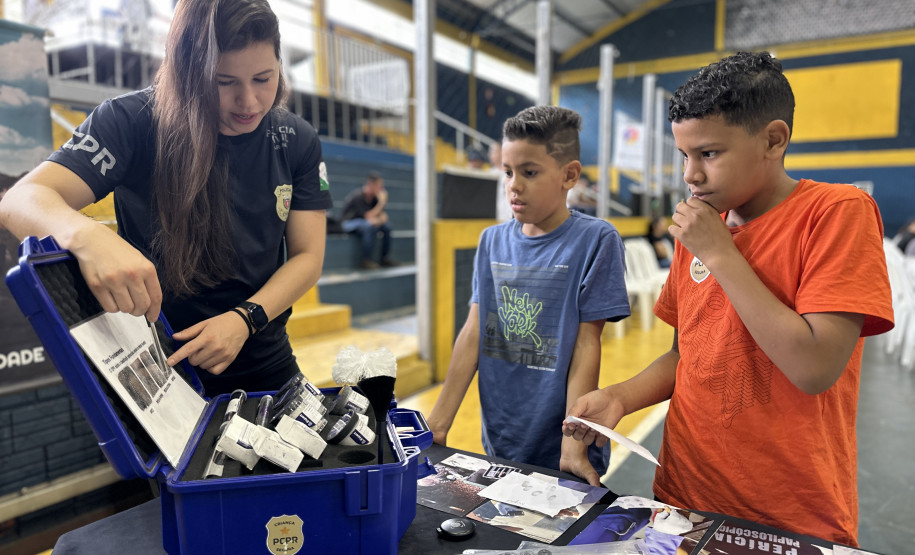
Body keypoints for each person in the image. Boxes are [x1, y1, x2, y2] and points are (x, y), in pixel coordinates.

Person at [562, 51, 894, 546]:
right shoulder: (699, 228)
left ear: (773, 140)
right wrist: (619, 397)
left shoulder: (836, 211)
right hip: (685, 490)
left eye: (709, 154)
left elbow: (815, 368)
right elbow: (686, 354)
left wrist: (721, 254)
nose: (690, 175)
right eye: (684, 155)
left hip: (789, 508)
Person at [0, 0, 332, 396]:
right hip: (160, 375)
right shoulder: (131, 121)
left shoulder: (297, 139)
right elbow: (21, 199)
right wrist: (87, 236)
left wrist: (244, 319)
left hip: (266, 358)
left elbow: (308, 257)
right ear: (189, 74)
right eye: (224, 82)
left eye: (264, 78)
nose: (249, 103)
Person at [427, 105, 631, 486]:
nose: (513, 185)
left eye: (530, 172)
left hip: (560, 441)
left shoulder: (596, 240)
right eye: (508, 172)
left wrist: (572, 444)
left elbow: (588, 345)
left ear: (569, 175)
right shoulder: (491, 241)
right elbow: (474, 333)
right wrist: (439, 420)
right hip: (501, 435)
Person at [340, 171, 398, 270]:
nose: (381, 189)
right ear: (371, 185)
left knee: (387, 227)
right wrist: (382, 203)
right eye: (379, 186)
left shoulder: (374, 198)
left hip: (365, 222)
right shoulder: (358, 196)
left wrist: (379, 218)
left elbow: (383, 217)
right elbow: (369, 216)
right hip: (348, 223)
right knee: (369, 226)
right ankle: (366, 260)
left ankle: (384, 258)